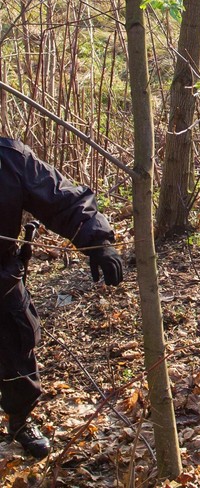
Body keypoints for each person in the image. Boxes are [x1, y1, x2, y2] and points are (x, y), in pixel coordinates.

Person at [0, 137, 123, 458]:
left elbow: (64, 199)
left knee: (18, 341)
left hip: (2, 276)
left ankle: (19, 421)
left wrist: (98, 242)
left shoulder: (9, 157)